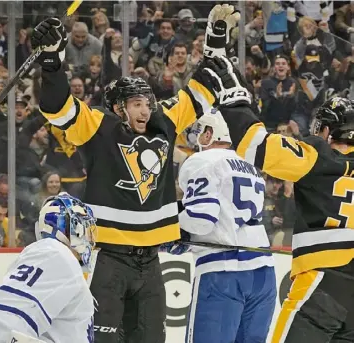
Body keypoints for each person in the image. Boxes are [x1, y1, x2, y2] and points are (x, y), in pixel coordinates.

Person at [30, 12, 237, 343]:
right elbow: (58, 107)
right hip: (109, 259)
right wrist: (52, 61)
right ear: (118, 107)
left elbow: (200, 92)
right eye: (136, 104)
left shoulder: (163, 124)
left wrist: (214, 43)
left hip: (152, 262)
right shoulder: (98, 128)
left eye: (147, 103)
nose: (145, 110)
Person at [201, 38, 354, 342]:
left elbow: (257, 146)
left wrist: (234, 98)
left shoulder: (320, 155)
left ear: (326, 131)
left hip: (324, 279)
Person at [173, 111, 275, 343]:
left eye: (199, 133)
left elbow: (201, 218)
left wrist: (170, 223)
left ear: (210, 133)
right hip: (264, 271)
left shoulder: (201, 161)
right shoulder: (249, 165)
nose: (195, 139)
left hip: (223, 270)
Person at [0, 193, 96, 343]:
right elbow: (3, 314)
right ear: (69, 228)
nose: (90, 237)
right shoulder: (55, 253)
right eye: (84, 226)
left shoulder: (55, 256)